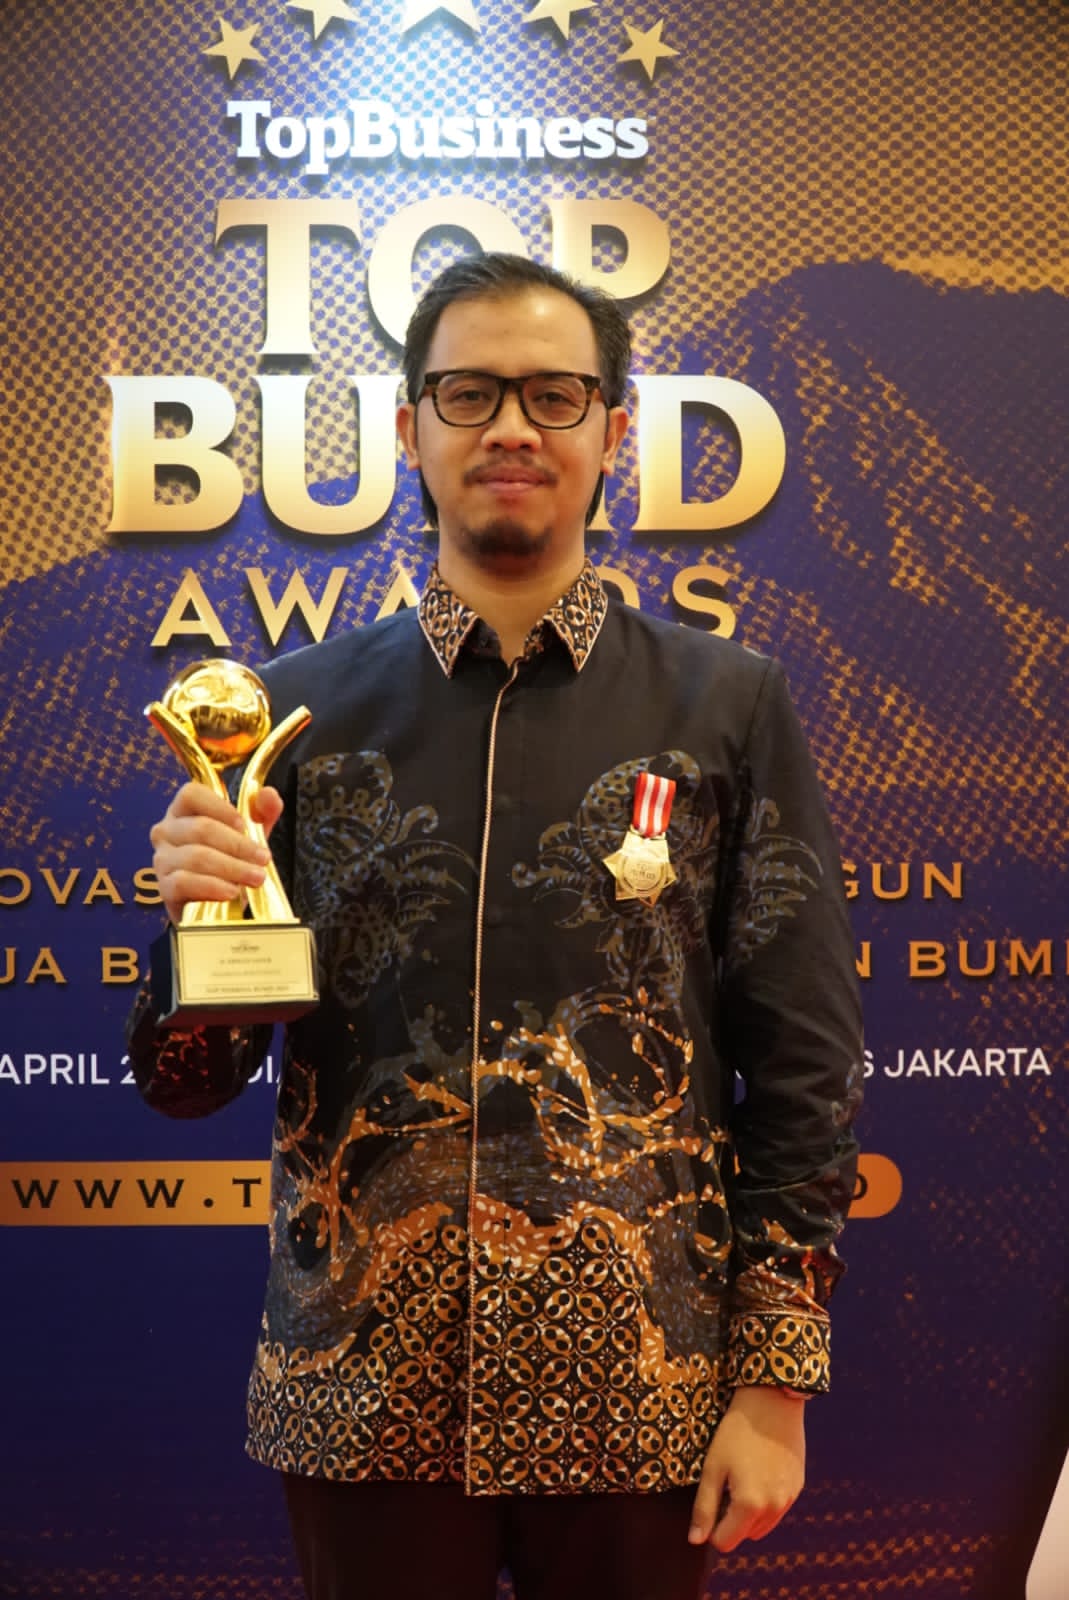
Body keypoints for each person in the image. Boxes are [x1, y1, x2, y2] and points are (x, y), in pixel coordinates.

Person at [128, 252, 863, 1600]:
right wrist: (194, 928)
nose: (511, 427)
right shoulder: (286, 716)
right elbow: (188, 1083)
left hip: (642, 1383)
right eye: (468, 394)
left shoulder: (727, 703)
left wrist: (775, 1388)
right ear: (409, 429)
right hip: (360, 1386)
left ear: (612, 432)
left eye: (552, 395)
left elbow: (804, 1058)